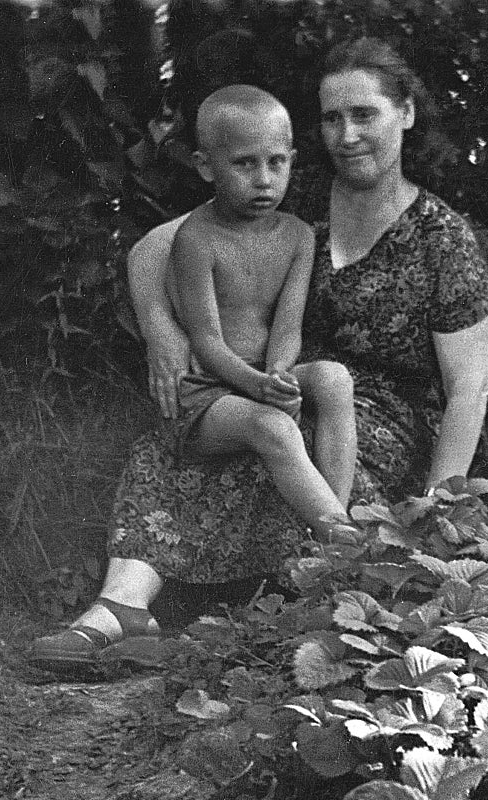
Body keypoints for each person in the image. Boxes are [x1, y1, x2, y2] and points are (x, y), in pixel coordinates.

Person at [28, 36, 488, 669]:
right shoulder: (283, 188)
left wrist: (439, 514)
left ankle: (317, 596)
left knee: (274, 445)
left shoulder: (442, 238)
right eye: (333, 118)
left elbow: (468, 392)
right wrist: (164, 333)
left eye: (365, 115)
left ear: (406, 114)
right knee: (173, 438)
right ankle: (120, 608)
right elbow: (152, 249)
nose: (347, 134)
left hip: (374, 419)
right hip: (264, 378)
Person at [166, 85, 355, 535]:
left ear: (292, 158)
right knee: (276, 428)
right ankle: (347, 543)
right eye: (245, 163)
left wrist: (279, 374)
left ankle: (334, 520)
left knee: (334, 378)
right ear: (206, 167)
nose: (265, 179)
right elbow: (207, 342)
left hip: (263, 373)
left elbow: (287, 327)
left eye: (277, 162)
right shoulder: (197, 238)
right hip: (209, 392)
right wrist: (259, 387)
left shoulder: (297, 236)